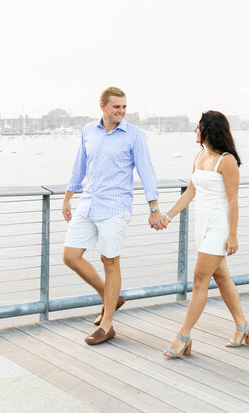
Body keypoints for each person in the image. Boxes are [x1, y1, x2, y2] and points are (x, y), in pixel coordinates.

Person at [62, 87, 168, 345]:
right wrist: (67, 197)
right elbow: (79, 166)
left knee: (110, 262)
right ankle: (111, 297)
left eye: (124, 107)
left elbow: (146, 172)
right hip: (88, 204)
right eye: (116, 107)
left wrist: (154, 209)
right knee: (71, 256)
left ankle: (107, 325)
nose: (121, 112)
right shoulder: (89, 131)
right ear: (103, 106)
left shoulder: (134, 135)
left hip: (115, 208)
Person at [160, 110, 249, 358]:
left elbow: (233, 201)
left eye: (198, 126)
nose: (194, 130)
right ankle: (243, 326)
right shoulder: (200, 156)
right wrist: (167, 217)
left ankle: (183, 336)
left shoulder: (227, 161)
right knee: (221, 278)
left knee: (200, 281)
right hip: (202, 224)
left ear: (209, 129)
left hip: (219, 225)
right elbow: (190, 192)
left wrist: (232, 235)